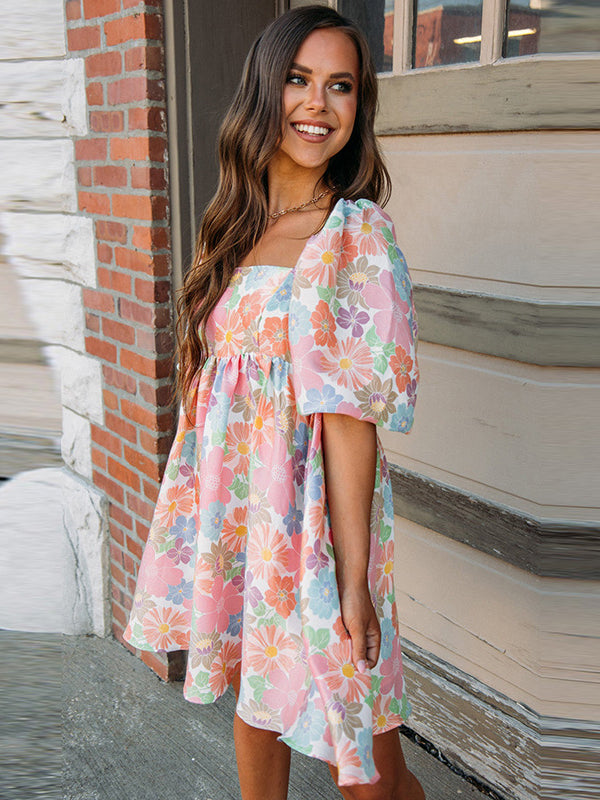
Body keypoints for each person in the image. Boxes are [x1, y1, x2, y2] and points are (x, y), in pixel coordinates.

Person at [123, 6, 423, 799]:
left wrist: (354, 582)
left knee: (366, 764)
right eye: (298, 79)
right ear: (265, 89)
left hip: (318, 528)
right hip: (245, 522)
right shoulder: (233, 228)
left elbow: (349, 417)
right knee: (257, 707)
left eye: (341, 86)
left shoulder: (353, 236)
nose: (318, 103)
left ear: (358, 107)